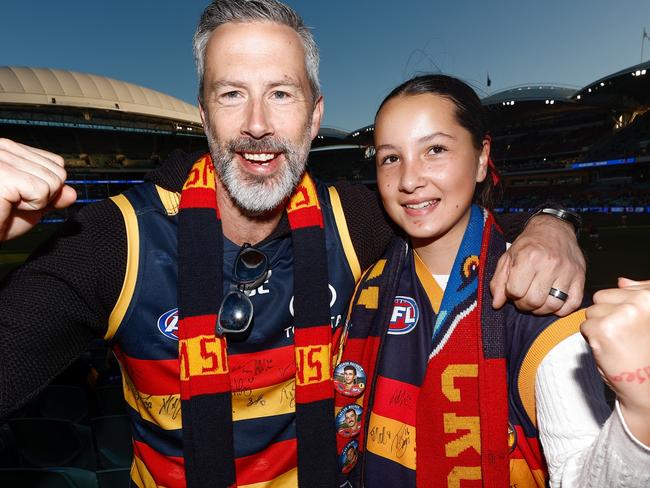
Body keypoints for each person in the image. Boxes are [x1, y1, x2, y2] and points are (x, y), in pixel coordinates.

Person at [0, 1, 587, 487]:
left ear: (314, 116)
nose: (258, 123)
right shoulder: (115, 240)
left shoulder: (353, 219)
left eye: (281, 94)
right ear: (205, 116)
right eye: (232, 95)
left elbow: (452, 202)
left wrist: (552, 222)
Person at [333, 74, 650, 487]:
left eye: (435, 149)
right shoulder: (365, 277)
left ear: (482, 158)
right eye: (390, 158)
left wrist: (640, 415)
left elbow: (580, 477)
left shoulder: (534, 294)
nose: (409, 180)